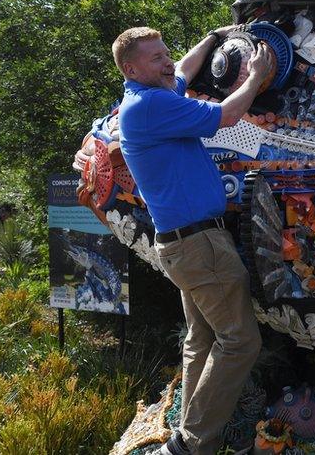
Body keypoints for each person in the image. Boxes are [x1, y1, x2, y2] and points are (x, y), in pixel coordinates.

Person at [108, 26, 273, 455]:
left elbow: (182, 70)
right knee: (240, 342)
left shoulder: (149, 97)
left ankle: (184, 436)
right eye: (155, 57)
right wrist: (254, 76)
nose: (167, 62)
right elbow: (226, 117)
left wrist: (214, 36)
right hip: (201, 247)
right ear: (131, 68)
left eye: (166, 53)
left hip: (186, 246)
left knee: (201, 339)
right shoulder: (150, 105)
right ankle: (193, 444)